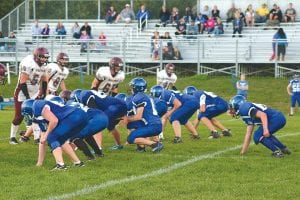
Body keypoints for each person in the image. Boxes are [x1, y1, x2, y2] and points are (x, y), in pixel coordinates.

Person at [21, 99, 86, 170]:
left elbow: (54, 120)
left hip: (74, 115)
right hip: (81, 117)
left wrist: (46, 135)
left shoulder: (37, 106)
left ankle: (60, 165)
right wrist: (39, 163)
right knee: (60, 139)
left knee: (52, 136)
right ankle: (78, 163)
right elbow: (42, 141)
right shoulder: (39, 116)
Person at [9, 47, 49, 144]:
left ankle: (36, 138)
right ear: (36, 56)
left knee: (36, 115)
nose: (44, 59)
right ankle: (12, 137)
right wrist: (27, 98)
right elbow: (23, 82)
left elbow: (44, 80)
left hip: (34, 92)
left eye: (46, 57)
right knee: (19, 116)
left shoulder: (43, 66)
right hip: (22, 93)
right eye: (42, 57)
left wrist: (43, 93)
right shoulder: (28, 63)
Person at [123, 78, 164, 152]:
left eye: (132, 86)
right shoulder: (145, 96)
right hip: (155, 124)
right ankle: (141, 148)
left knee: (131, 138)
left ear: (136, 88)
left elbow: (138, 116)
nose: (131, 88)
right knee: (134, 125)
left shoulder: (139, 97)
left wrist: (126, 118)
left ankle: (155, 144)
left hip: (152, 126)